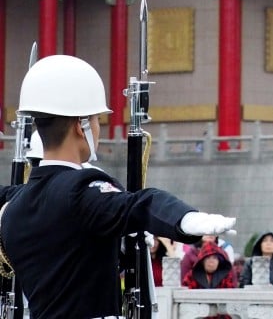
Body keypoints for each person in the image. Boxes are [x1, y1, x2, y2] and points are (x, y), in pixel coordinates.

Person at [0, 54, 235, 318]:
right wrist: (187, 219)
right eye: (98, 119)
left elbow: (72, 258)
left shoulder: (13, 207)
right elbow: (138, 204)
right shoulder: (81, 190)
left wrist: (118, 244)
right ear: (82, 125)